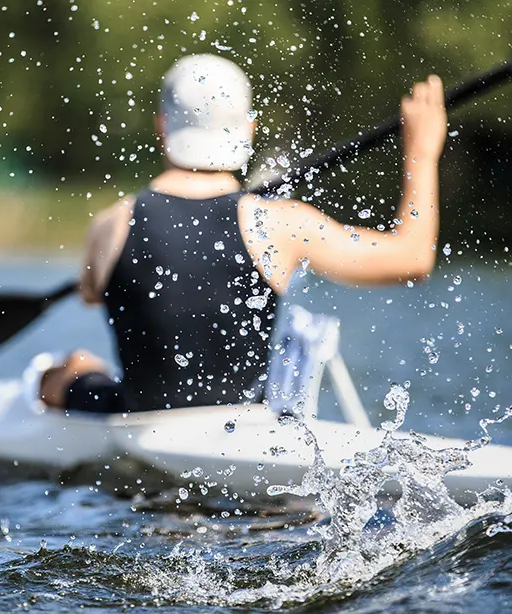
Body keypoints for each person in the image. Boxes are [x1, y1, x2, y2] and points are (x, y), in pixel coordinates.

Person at [32, 53, 447, 413]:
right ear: (248, 129)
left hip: (135, 420)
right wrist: (422, 153)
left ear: (162, 126)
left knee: (64, 371)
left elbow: (89, 293)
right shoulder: (278, 224)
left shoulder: (111, 224)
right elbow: (413, 258)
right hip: (239, 431)